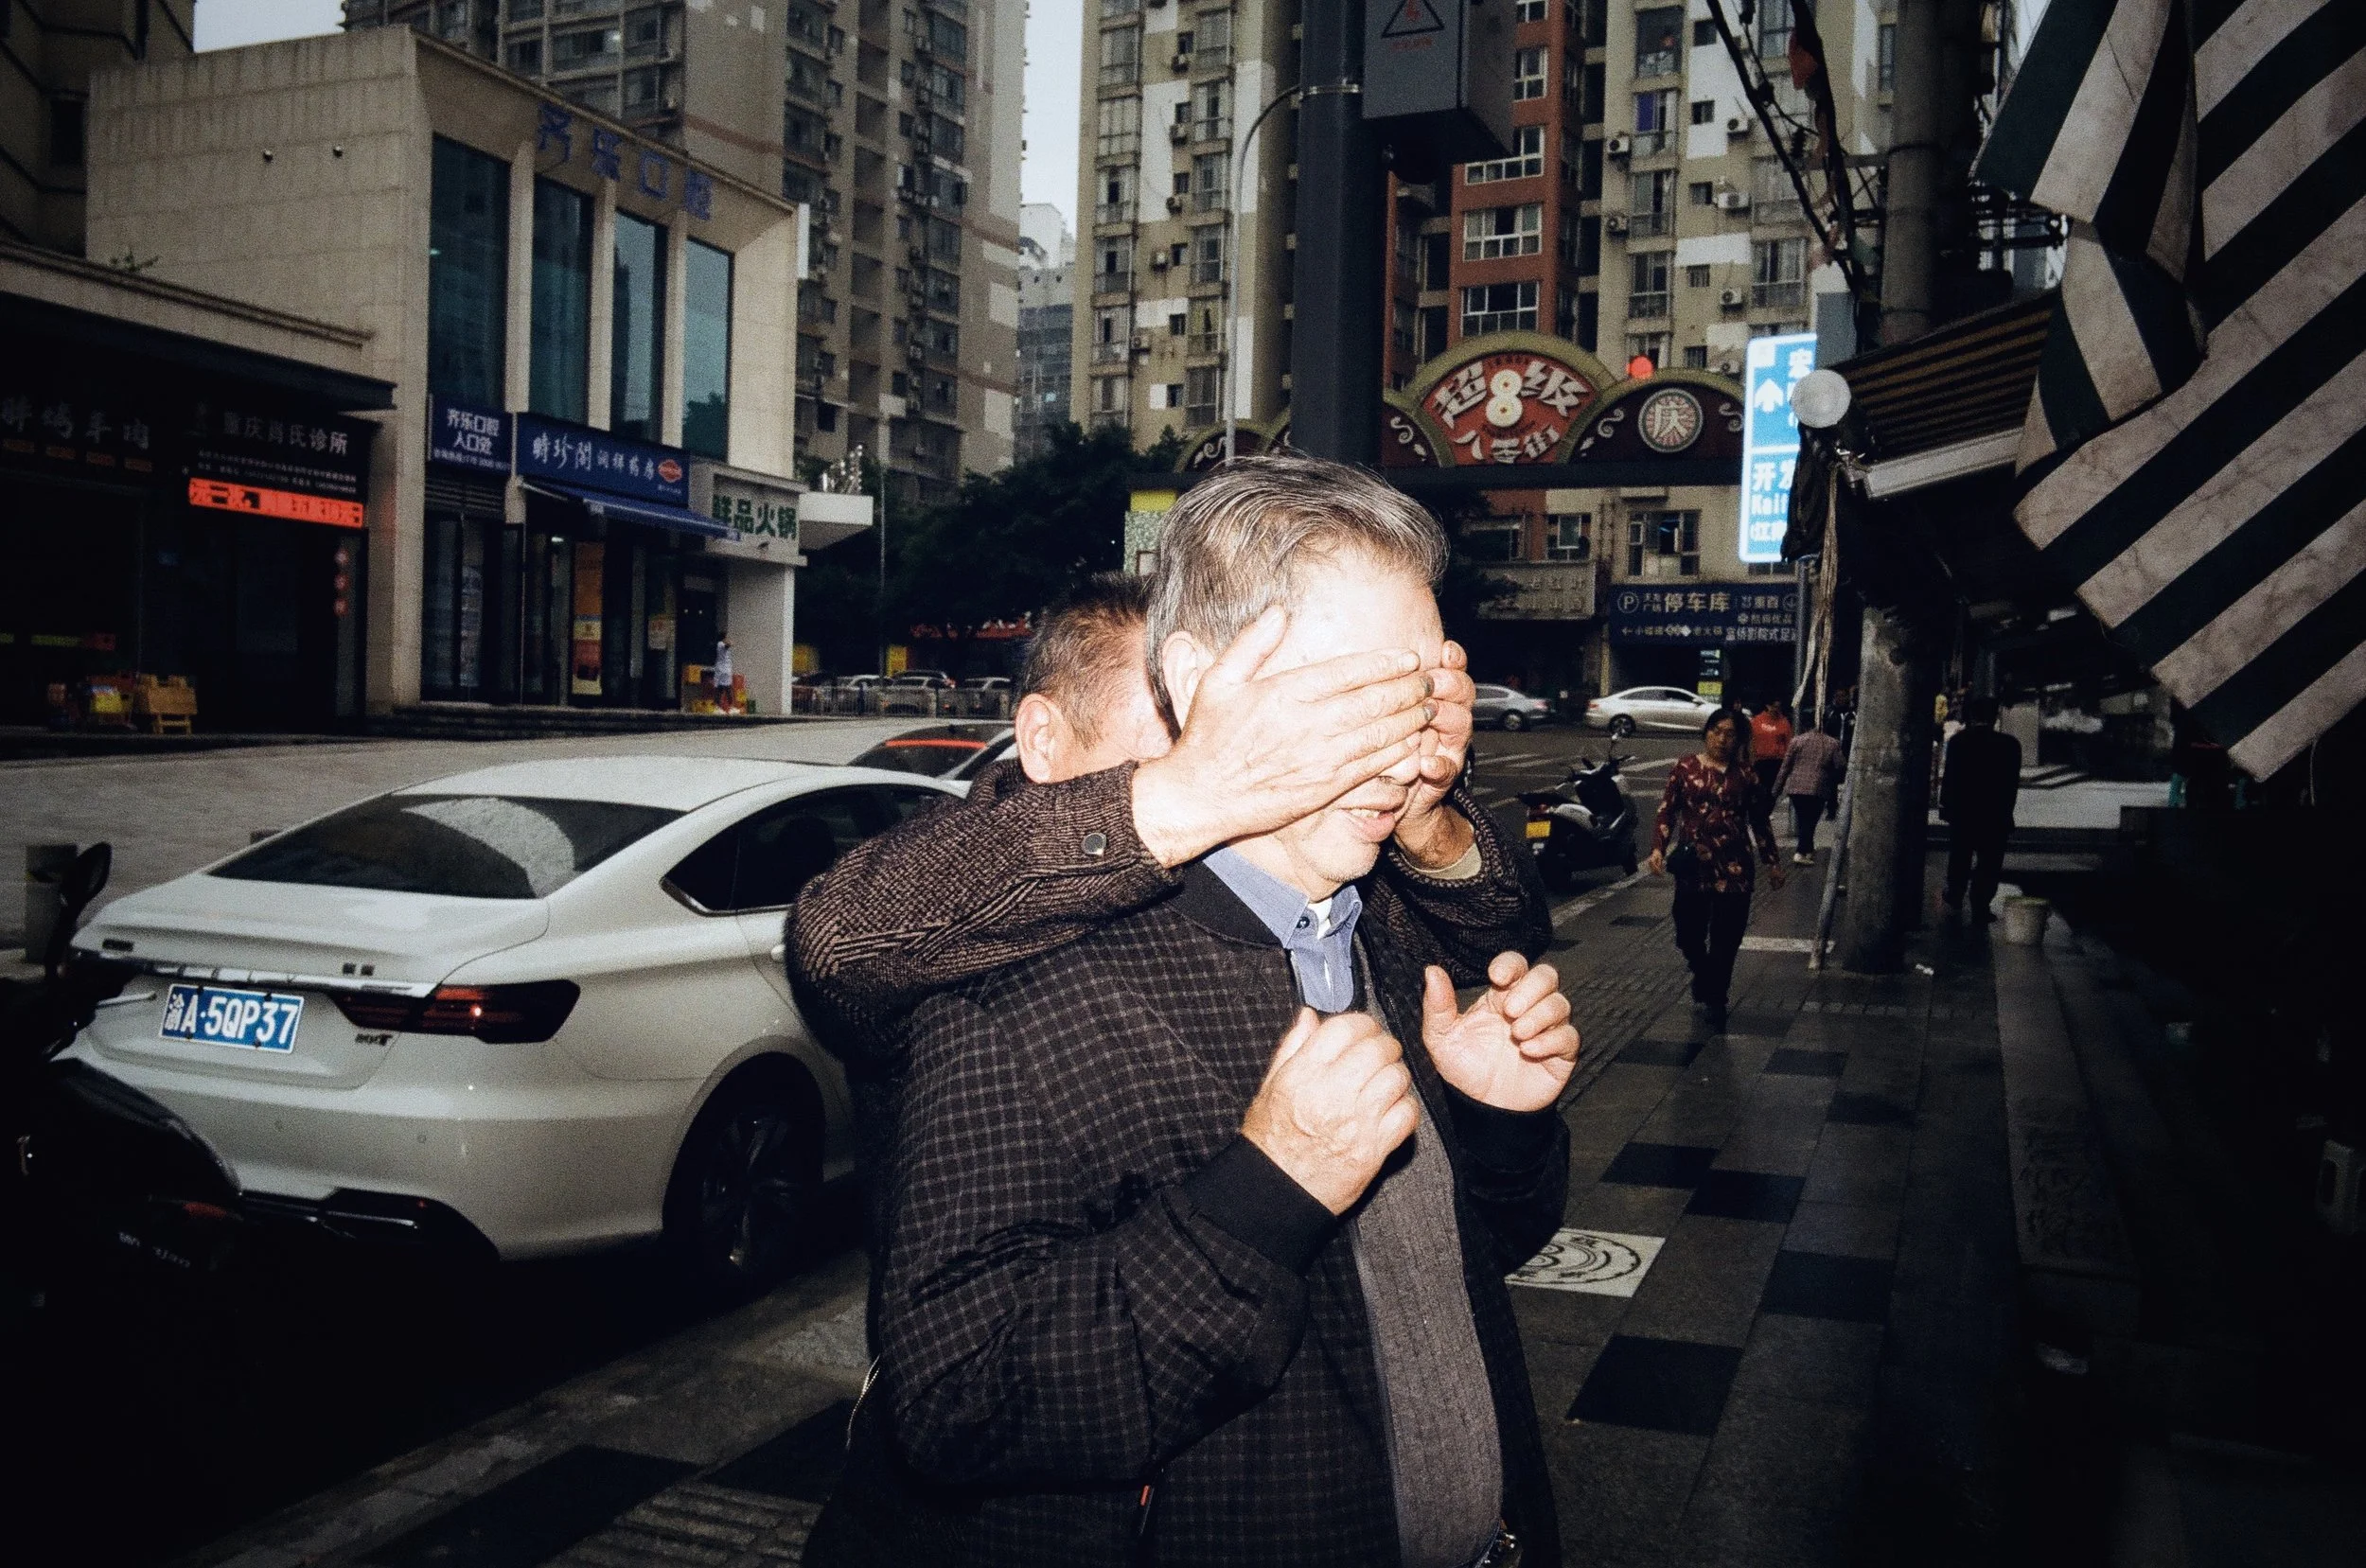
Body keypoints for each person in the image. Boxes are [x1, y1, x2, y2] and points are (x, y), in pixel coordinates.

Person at [826, 457, 1572, 1568]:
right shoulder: (1016, 980)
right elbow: (956, 1400)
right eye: (1355, 696)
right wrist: (1265, 1193)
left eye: (1419, 698)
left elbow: (1457, 1264)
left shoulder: (1367, 925)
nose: (1409, 744)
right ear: (1199, 681)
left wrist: (1497, 1127)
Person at [1646, 707, 1783, 1031]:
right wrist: (1657, 849)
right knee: (1687, 934)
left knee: (1727, 937)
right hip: (1693, 867)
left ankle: (1716, 998)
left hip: (1735, 868)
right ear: (1706, 732)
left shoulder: (1746, 775)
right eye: (1717, 731)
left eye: (1730, 734)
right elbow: (1667, 811)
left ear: (1738, 740)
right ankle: (1703, 973)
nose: (1722, 739)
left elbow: (1760, 822)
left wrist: (1773, 863)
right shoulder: (1684, 767)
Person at [1940, 694, 2022, 919]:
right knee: (1989, 862)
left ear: (1971, 716)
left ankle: (1955, 894)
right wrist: (2006, 812)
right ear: (1995, 717)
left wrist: (1946, 805)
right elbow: (2011, 785)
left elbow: (1950, 778)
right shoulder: (2010, 746)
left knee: (1960, 856)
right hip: (1994, 814)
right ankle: (1981, 904)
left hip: (1964, 813)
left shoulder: (1958, 743)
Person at [1771, 712, 1845, 864]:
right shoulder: (1832, 743)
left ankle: (1808, 850)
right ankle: (1800, 852)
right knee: (1810, 821)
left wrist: (1776, 790)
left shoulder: (1796, 741)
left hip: (1796, 787)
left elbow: (1785, 767)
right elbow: (1840, 765)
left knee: (1804, 818)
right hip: (1819, 787)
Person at [1749, 697, 1792, 798]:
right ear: (1768, 706)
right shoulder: (1757, 721)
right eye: (1774, 707)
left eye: (1779, 707)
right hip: (1760, 761)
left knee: (1773, 793)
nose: (1776, 709)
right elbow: (1751, 741)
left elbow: (1789, 742)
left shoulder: (1784, 722)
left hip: (1777, 762)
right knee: (1761, 791)